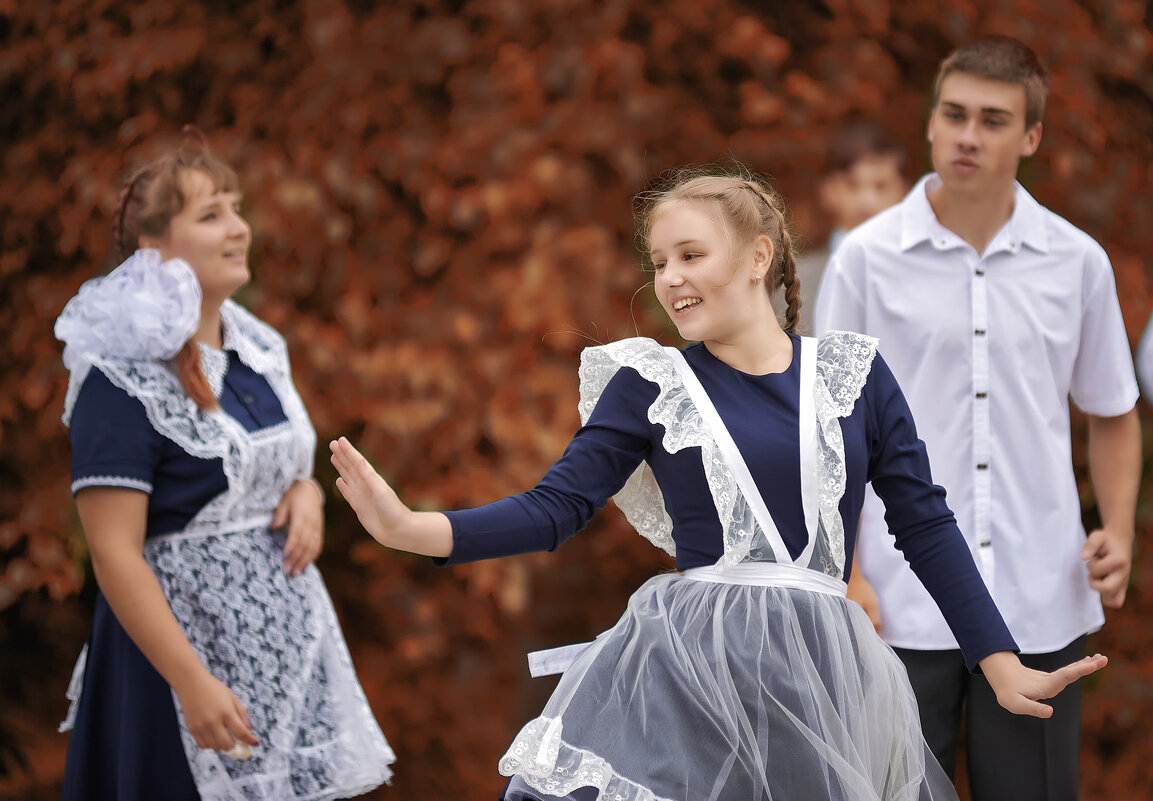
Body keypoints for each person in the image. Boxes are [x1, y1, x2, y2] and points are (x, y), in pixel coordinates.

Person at [329, 164, 1107, 801]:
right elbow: (554, 508)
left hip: (822, 678)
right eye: (658, 262)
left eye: (689, 255)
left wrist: (997, 661)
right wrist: (410, 528)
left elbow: (925, 526)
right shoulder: (648, 380)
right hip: (687, 672)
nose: (669, 279)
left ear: (759, 256)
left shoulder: (853, 376)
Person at [814, 36, 1141, 801]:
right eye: (953, 114)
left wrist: (1118, 529)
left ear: (1030, 137)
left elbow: (1113, 409)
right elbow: (828, 431)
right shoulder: (864, 259)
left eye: (993, 120)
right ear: (929, 124)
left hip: (1039, 595)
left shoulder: (1078, 262)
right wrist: (851, 573)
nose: (968, 135)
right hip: (893, 603)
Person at [54, 142, 395, 801]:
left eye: (237, 210)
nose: (240, 227)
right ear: (153, 245)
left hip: (282, 660)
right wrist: (191, 682)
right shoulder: (120, 376)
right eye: (212, 215)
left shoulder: (256, 347)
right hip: (176, 669)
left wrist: (306, 491)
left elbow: (270, 467)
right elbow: (113, 551)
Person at [775, 120, 908, 334]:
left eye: (881, 186)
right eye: (852, 184)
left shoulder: (928, 275)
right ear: (828, 190)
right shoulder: (789, 287)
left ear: (904, 192)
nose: (867, 200)